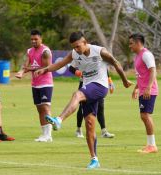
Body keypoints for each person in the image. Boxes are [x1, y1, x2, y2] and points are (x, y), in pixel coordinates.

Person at [34, 31, 133, 169]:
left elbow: (115, 63)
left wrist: (124, 80)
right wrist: (44, 70)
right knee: (90, 125)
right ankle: (94, 159)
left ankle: (59, 120)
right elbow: (60, 64)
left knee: (77, 95)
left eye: (78, 46)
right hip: (88, 86)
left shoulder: (99, 52)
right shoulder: (75, 54)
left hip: (100, 86)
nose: (76, 50)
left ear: (85, 42)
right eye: (74, 47)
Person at [15, 29, 54, 142]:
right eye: (32, 39)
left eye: (36, 39)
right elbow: (26, 65)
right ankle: (44, 134)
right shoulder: (30, 51)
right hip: (35, 84)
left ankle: (49, 135)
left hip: (45, 83)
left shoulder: (45, 51)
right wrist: (21, 72)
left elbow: (47, 68)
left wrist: (29, 69)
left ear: (41, 39)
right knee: (39, 109)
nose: (33, 41)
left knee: (46, 107)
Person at [129, 33, 158, 153]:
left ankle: (152, 146)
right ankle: (150, 145)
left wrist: (148, 87)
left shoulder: (146, 54)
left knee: (145, 115)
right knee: (144, 116)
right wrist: (136, 87)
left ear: (138, 43)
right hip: (143, 90)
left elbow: (153, 70)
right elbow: (141, 74)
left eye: (131, 43)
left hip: (148, 90)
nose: (129, 46)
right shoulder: (137, 56)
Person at [69, 65, 115, 138]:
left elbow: (103, 67)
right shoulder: (80, 55)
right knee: (82, 107)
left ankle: (104, 131)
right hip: (85, 83)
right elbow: (70, 67)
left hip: (98, 84)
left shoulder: (98, 55)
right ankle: (78, 130)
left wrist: (109, 80)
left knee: (100, 106)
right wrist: (77, 72)